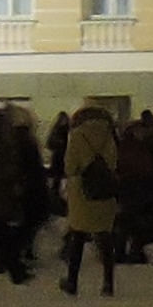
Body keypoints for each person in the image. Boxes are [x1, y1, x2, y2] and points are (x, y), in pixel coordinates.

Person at [56, 103, 127, 296]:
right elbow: (113, 163)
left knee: (78, 236)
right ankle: (108, 284)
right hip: (104, 190)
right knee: (105, 239)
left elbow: (70, 166)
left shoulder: (77, 135)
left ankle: (72, 282)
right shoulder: (108, 135)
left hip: (82, 193)